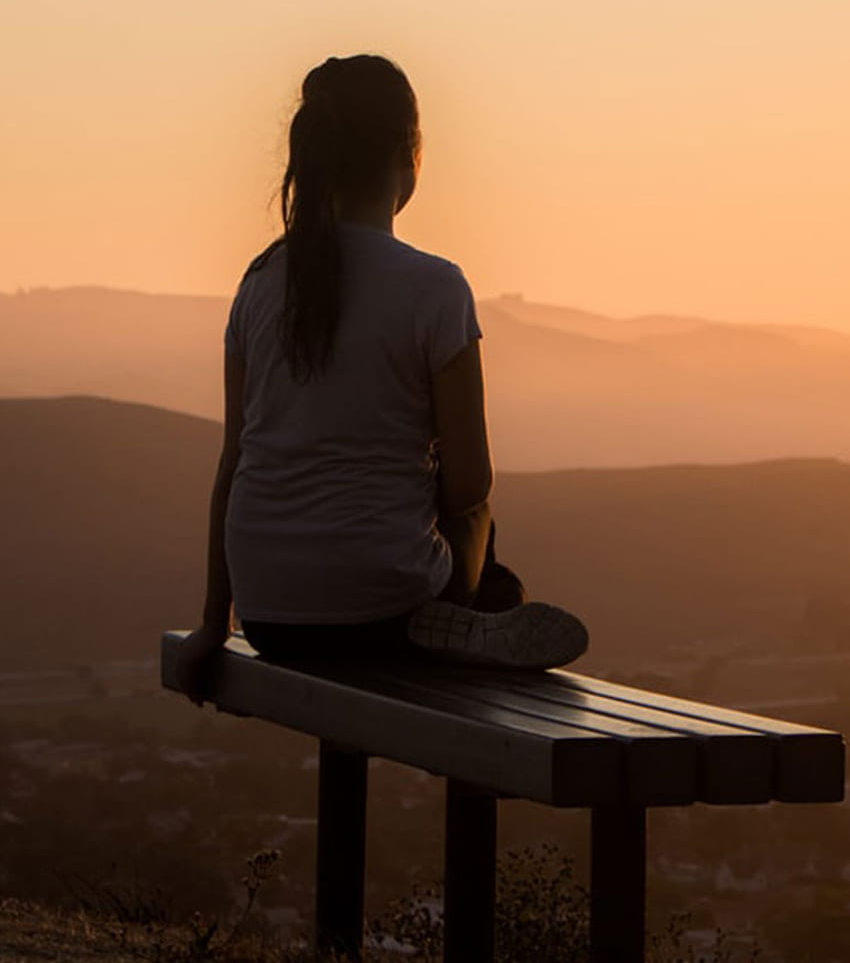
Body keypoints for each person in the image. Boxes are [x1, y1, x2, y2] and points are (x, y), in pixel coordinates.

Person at [176, 55, 588, 703]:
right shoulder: (434, 288)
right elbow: (470, 483)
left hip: (268, 617)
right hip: (384, 611)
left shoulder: (257, 284)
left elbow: (234, 464)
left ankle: (470, 614)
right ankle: (477, 614)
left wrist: (211, 622)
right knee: (480, 518)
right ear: (409, 154)